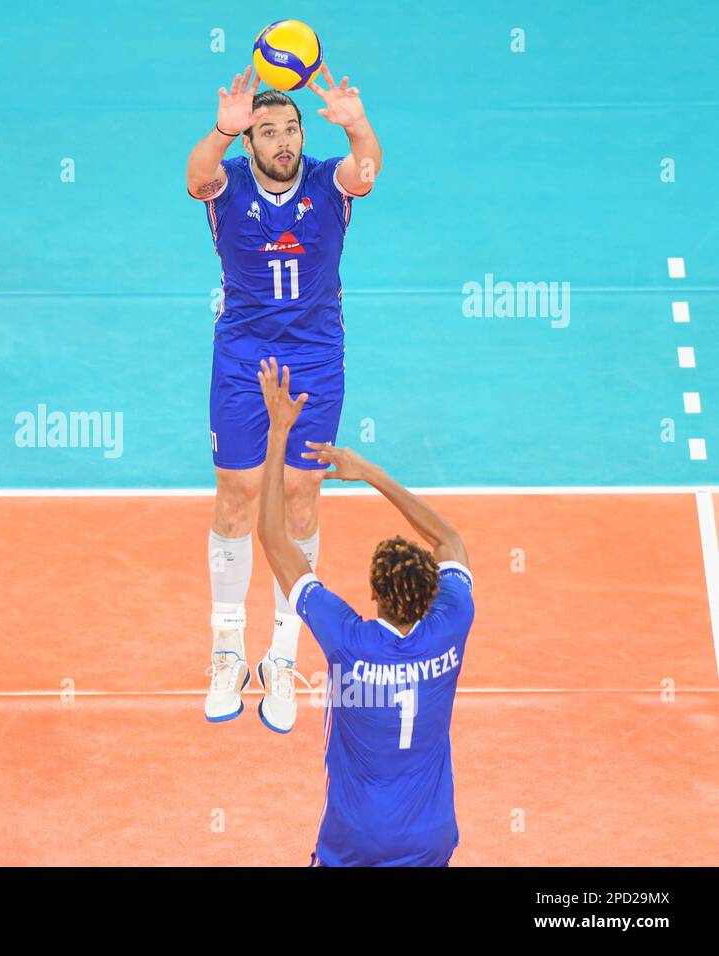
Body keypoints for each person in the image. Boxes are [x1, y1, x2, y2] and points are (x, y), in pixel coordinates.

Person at [187, 63, 383, 731]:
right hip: (243, 357)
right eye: (267, 132)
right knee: (237, 492)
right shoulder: (228, 183)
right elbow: (193, 176)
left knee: (300, 494)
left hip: (315, 359)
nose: (283, 142)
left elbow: (368, 170)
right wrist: (222, 128)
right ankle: (226, 649)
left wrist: (357, 124)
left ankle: (281, 653)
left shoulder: (330, 182)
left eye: (290, 129)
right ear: (251, 143)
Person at [256, 358, 474, 866]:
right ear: (431, 595)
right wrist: (372, 472)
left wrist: (277, 431)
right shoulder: (451, 624)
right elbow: (449, 539)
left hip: (355, 839)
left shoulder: (348, 640)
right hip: (430, 838)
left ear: (372, 594)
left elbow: (273, 538)